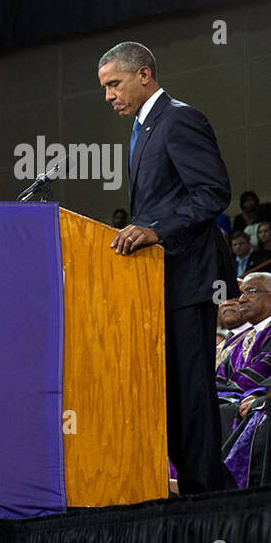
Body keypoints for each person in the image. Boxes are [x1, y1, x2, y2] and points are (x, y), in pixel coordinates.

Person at [100, 41, 237, 493]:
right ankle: (196, 486)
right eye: (105, 88)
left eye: (114, 84)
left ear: (144, 75)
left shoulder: (178, 118)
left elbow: (213, 191)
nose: (109, 96)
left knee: (192, 389)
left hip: (192, 275)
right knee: (174, 391)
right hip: (162, 279)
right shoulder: (143, 128)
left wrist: (155, 229)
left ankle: (208, 494)